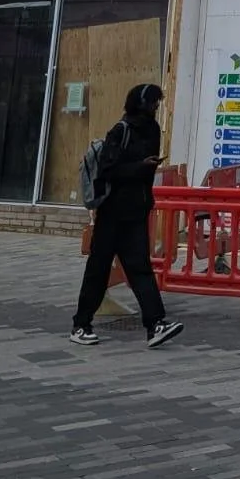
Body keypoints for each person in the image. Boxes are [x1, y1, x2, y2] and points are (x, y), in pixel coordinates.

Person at [70, 83, 183, 350]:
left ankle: (156, 324)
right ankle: (80, 324)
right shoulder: (120, 131)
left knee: (140, 268)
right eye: (153, 102)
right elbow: (109, 170)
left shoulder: (153, 130)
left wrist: (148, 169)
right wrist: (139, 168)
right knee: (98, 268)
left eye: (158, 102)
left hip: (136, 210)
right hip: (112, 212)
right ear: (141, 103)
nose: (157, 107)